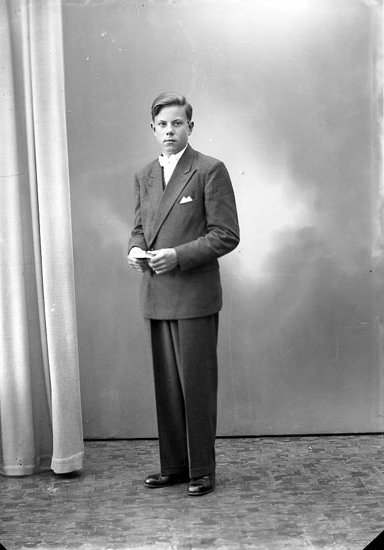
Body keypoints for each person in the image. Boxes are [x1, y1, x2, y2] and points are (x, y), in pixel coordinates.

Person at [127, 92, 239, 496]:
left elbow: (226, 234)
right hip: (156, 292)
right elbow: (140, 228)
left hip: (194, 295)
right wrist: (135, 250)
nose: (169, 131)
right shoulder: (144, 175)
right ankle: (173, 466)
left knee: (196, 385)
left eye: (177, 123)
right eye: (162, 125)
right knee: (168, 387)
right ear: (153, 129)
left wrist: (177, 256)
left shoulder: (209, 170)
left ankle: (202, 471)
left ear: (190, 127)